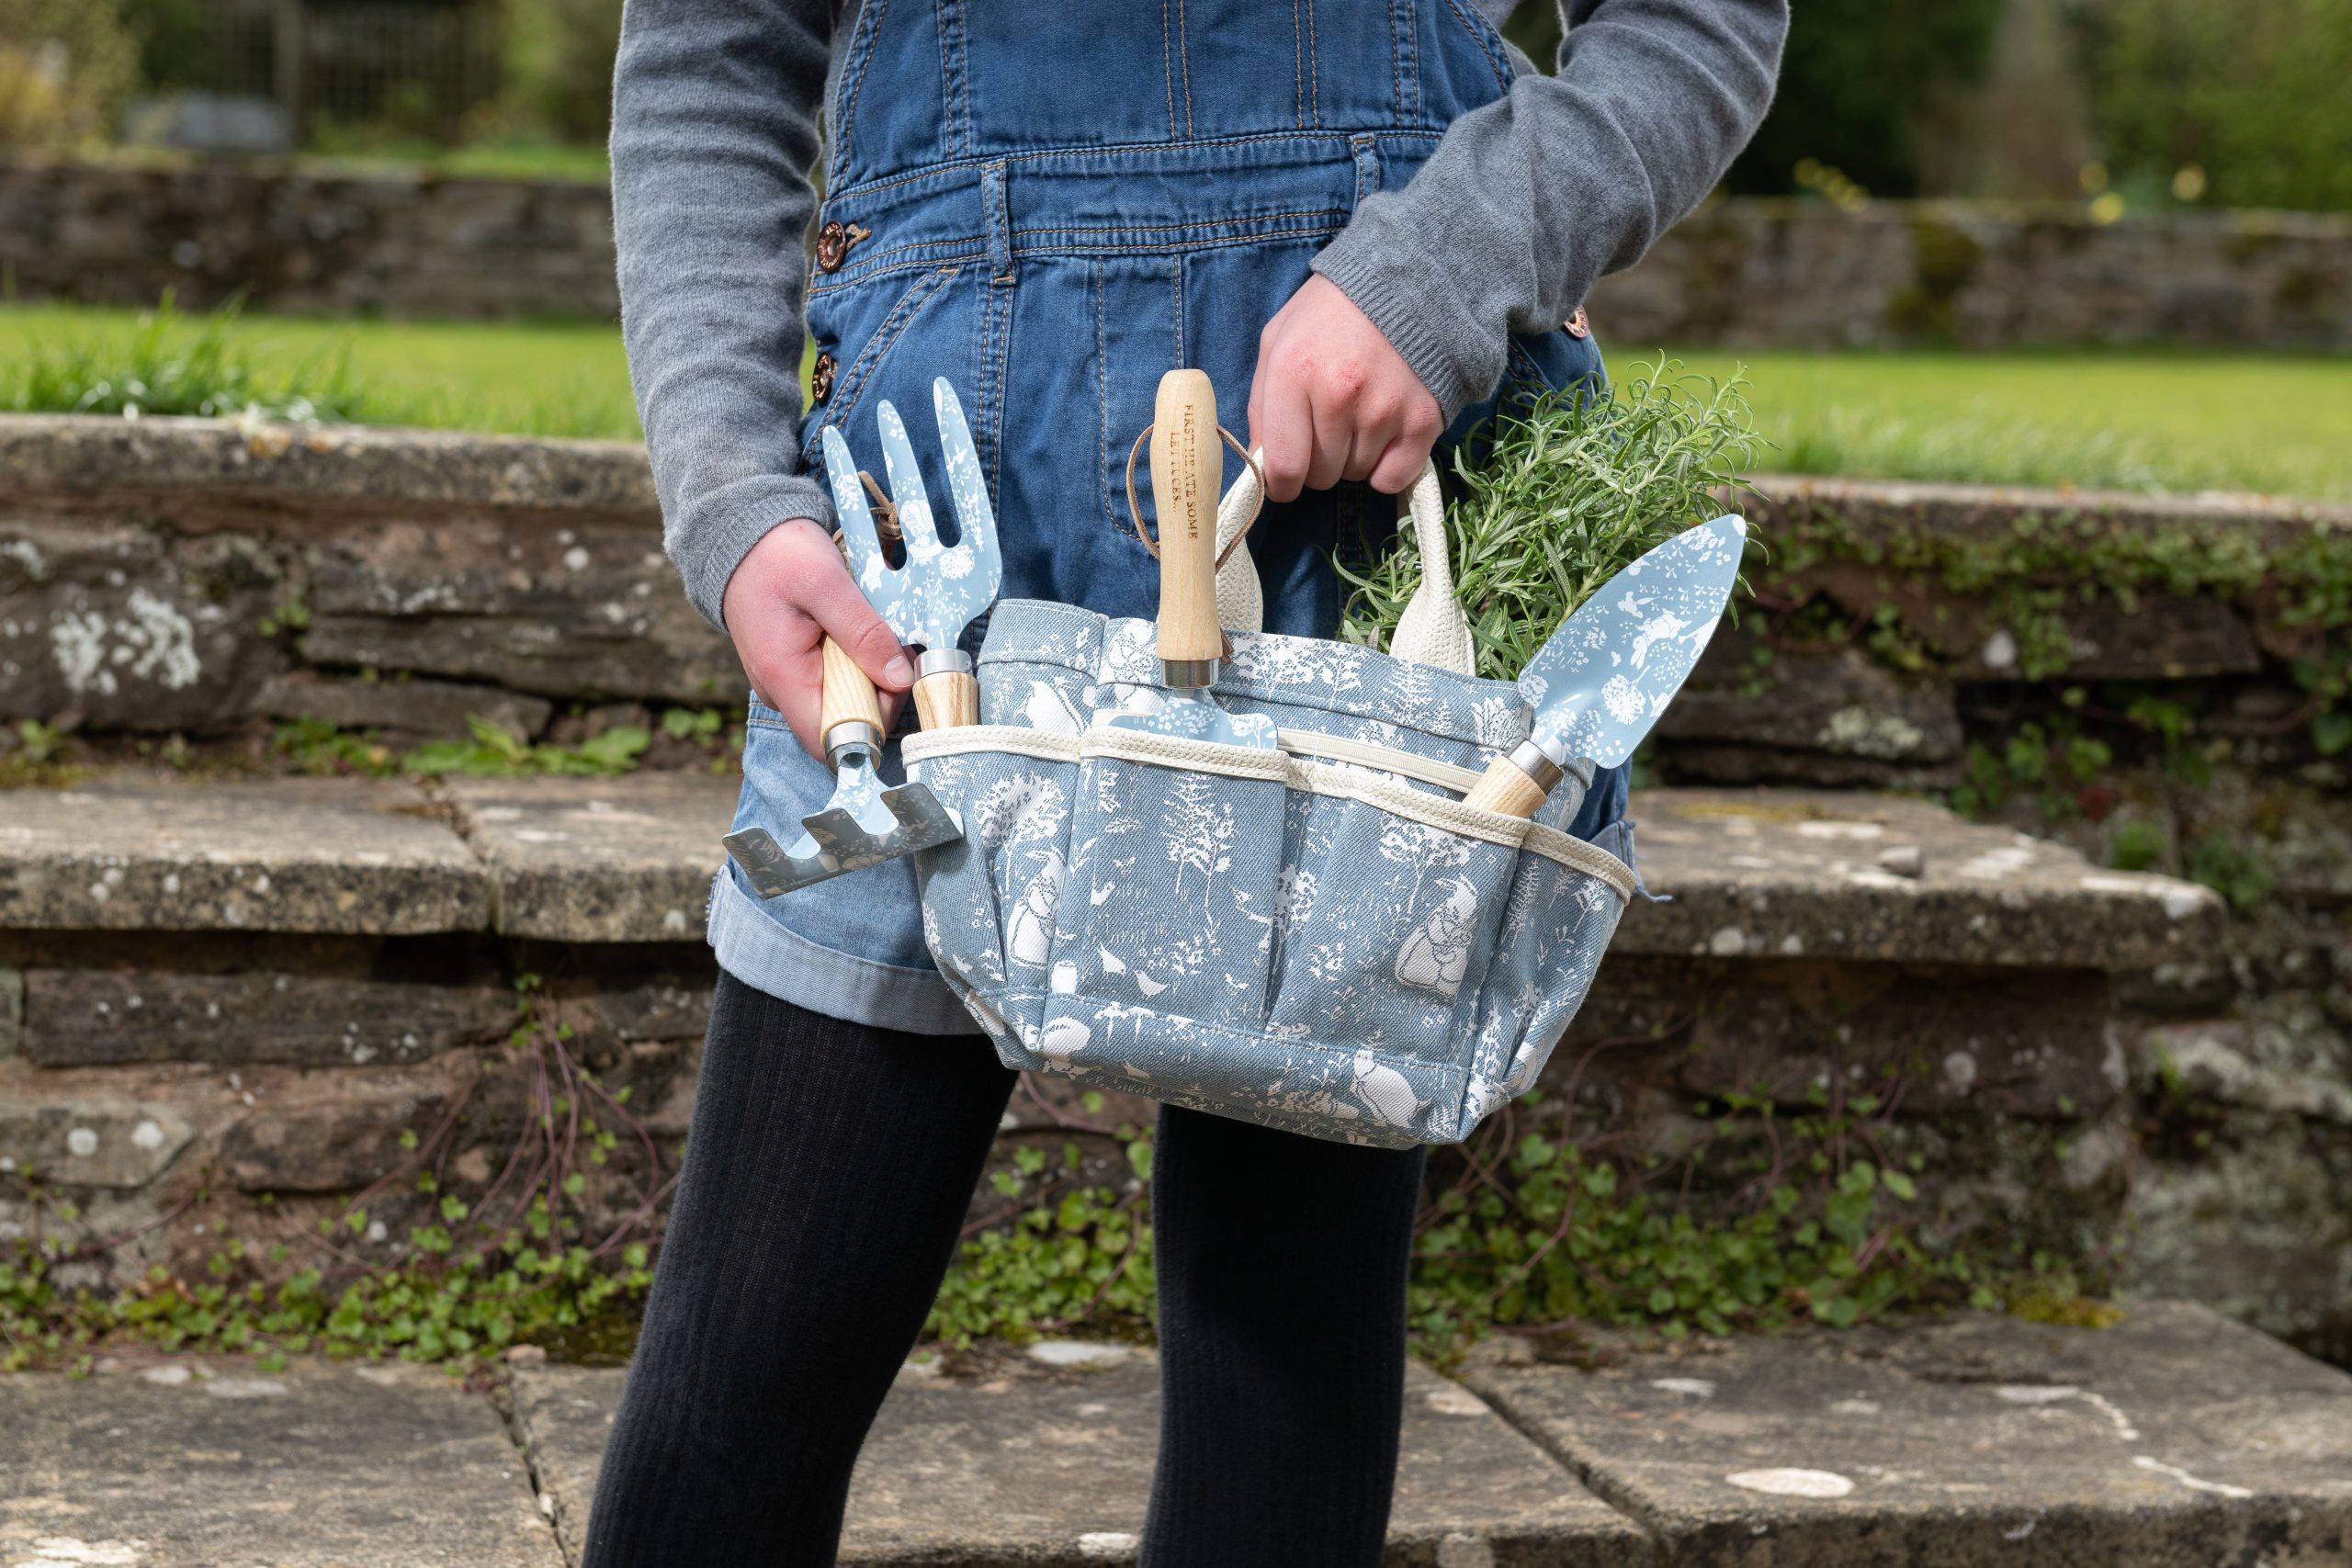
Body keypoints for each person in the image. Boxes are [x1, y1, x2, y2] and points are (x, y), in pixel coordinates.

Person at [586, 2, 1784, 1562]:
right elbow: (716, 44)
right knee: (739, 1394)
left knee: (1272, 1407)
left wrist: (1438, 271)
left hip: (1361, 515)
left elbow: (1694, 23)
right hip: (940, 561)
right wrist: (735, 499)